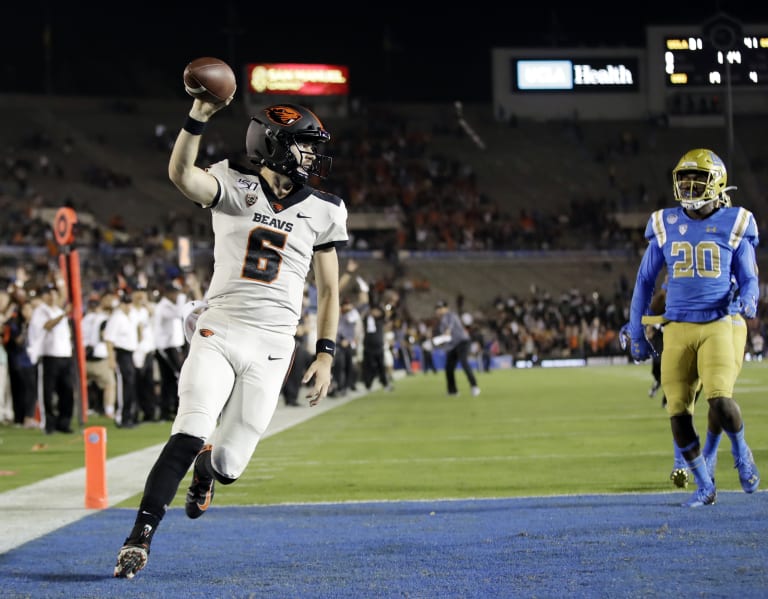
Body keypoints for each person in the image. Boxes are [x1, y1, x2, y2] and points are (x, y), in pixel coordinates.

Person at [113, 97, 348, 578]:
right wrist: (197, 115)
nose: (310, 156)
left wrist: (325, 352)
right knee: (189, 428)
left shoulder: (326, 209)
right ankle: (140, 536)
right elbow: (182, 175)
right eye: (303, 146)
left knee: (230, 464)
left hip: (273, 346)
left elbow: (328, 292)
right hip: (220, 328)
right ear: (274, 143)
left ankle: (207, 471)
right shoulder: (232, 181)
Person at [622, 148, 760, 508]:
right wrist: (636, 331)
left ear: (716, 182)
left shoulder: (734, 222)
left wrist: (748, 299)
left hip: (717, 322)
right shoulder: (665, 222)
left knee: (719, 397)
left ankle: (742, 452)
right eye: (683, 179)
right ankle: (704, 484)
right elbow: (643, 281)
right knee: (678, 411)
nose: (688, 186)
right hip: (677, 327)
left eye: (696, 179)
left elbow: (749, 276)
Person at [28, 283, 75, 434]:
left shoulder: (59, 310)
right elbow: (47, 326)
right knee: (47, 392)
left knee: (67, 391)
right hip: (49, 355)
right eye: (48, 293)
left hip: (65, 355)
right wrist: (62, 316)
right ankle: (48, 423)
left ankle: (64, 422)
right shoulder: (41, 311)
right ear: (43, 296)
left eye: (54, 292)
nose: (52, 296)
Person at [433, 300, 480, 397]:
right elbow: (446, 337)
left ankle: (474, 386)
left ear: (446, 308)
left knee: (464, 362)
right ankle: (452, 391)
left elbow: (450, 327)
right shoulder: (442, 320)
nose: (438, 310)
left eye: (440, 308)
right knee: (449, 367)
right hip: (452, 345)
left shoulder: (451, 315)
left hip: (462, 342)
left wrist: (447, 332)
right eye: (437, 309)